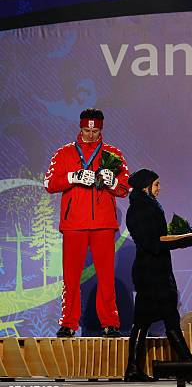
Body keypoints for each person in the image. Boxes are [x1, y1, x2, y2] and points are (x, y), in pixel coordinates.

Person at [44, 108, 129, 338]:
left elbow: (125, 188)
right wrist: (73, 177)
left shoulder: (112, 153)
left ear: (101, 129)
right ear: (79, 127)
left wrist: (113, 182)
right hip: (74, 224)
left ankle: (110, 322)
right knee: (71, 277)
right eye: (86, 130)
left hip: (103, 223)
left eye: (95, 130)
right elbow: (49, 183)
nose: (90, 135)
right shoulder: (64, 153)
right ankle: (68, 323)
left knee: (106, 276)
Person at [124, 169, 192, 382]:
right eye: (156, 184)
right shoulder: (141, 210)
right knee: (151, 321)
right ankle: (137, 369)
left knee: (163, 319)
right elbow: (156, 242)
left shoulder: (148, 206)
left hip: (156, 271)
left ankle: (185, 364)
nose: (159, 188)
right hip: (151, 274)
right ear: (145, 186)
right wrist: (190, 237)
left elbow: (161, 239)